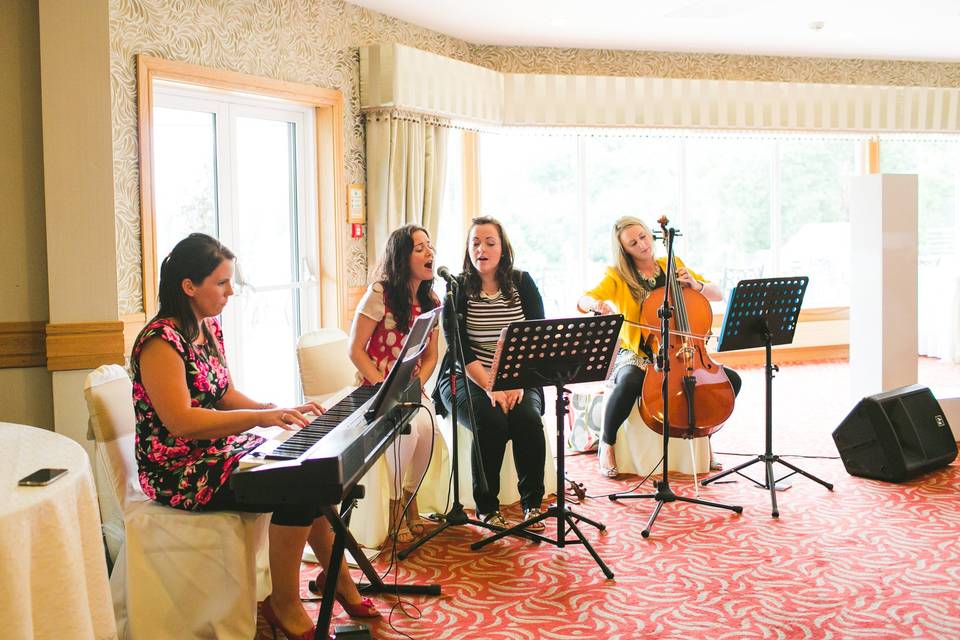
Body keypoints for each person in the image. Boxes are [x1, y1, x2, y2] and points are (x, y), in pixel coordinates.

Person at [131, 233, 379, 640]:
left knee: (309, 473)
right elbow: (181, 423)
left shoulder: (207, 327)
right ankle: (284, 603)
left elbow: (224, 394)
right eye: (222, 283)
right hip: (176, 468)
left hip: (213, 451)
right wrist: (257, 420)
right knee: (296, 487)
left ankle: (339, 583)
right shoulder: (160, 341)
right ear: (189, 286)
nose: (231, 291)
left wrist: (271, 409)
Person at [577, 216, 741, 478]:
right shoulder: (618, 276)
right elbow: (584, 299)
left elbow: (716, 293)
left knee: (730, 380)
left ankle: (705, 438)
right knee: (630, 380)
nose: (642, 244)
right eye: (633, 242)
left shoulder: (672, 264)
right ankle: (608, 443)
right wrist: (597, 305)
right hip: (637, 352)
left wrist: (695, 285)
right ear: (624, 249)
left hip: (683, 351)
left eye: (643, 236)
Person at [434, 216, 547, 530]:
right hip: (465, 376)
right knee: (491, 420)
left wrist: (518, 381)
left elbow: (537, 337)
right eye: (475, 243)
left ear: (503, 249)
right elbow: (460, 349)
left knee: (527, 419)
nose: (481, 248)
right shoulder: (456, 290)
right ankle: (487, 507)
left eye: (489, 242)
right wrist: (490, 387)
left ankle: (532, 505)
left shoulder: (523, 283)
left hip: (520, 376)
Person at [349, 224, 440, 544]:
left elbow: (431, 356)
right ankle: (394, 505)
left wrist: (418, 385)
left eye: (430, 246)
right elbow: (355, 350)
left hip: (411, 389)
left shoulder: (432, 299)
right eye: (420, 248)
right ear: (403, 258)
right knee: (408, 430)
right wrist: (382, 386)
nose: (430, 252)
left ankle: (410, 496)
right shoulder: (379, 294)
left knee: (428, 428)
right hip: (375, 389)